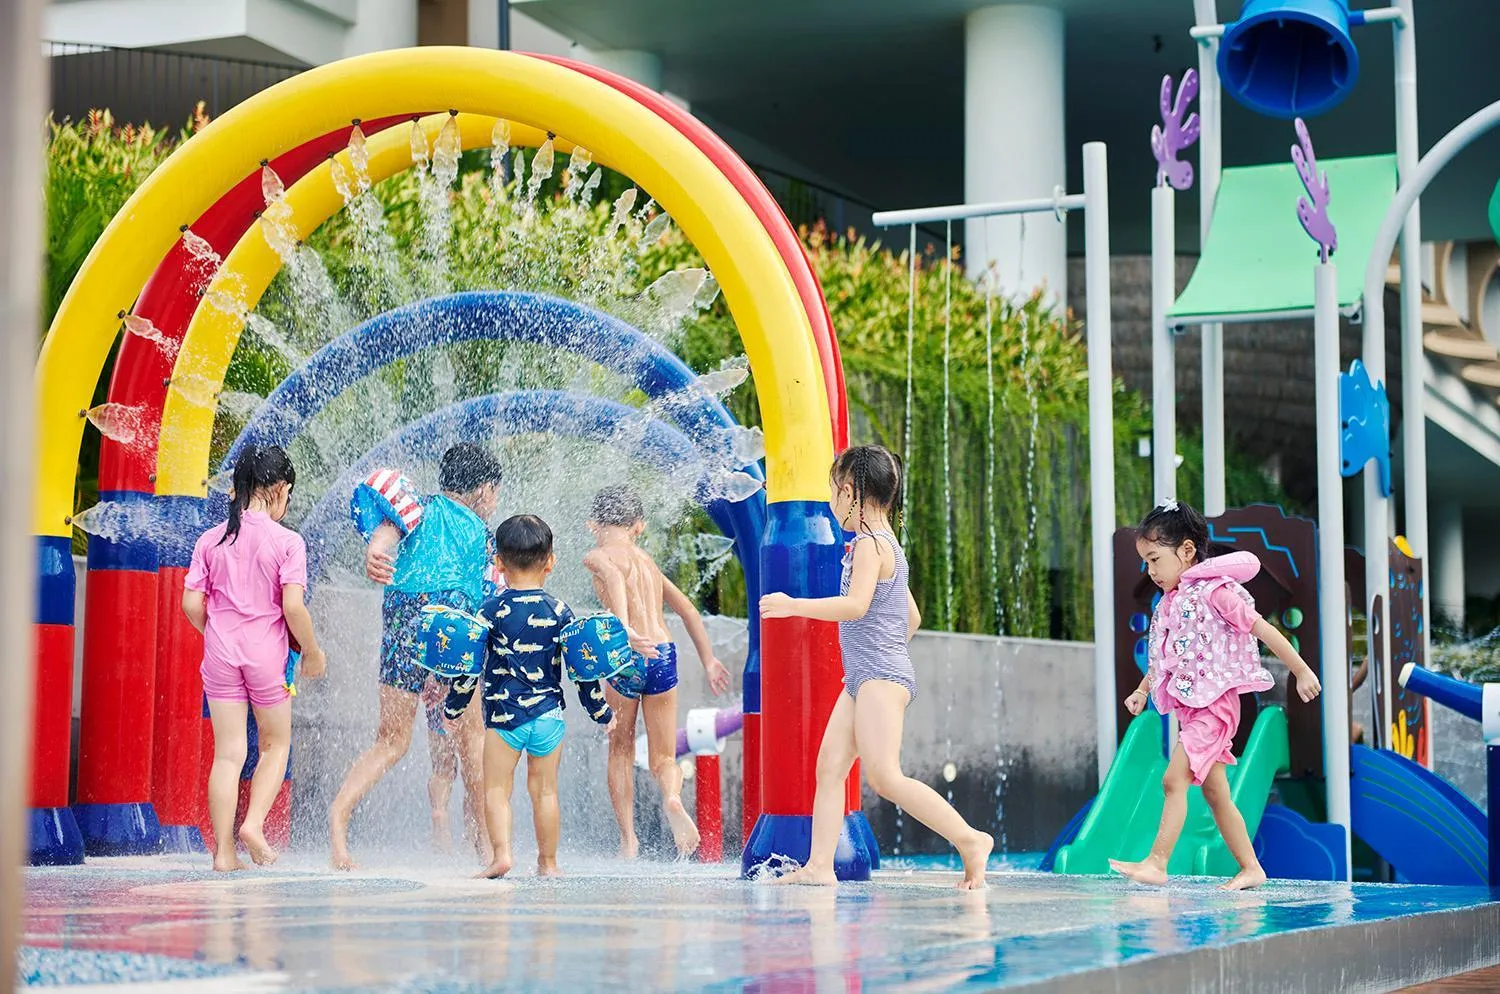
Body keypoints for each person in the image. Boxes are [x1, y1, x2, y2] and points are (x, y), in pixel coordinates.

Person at [759, 444, 993, 889]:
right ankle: (819, 868)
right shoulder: (889, 545)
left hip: (879, 679)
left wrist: (793, 606)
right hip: (868, 677)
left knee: (886, 776)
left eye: (833, 493)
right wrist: (879, 653)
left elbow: (855, 605)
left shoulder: (868, 544)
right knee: (829, 767)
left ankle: (970, 840)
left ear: (850, 491)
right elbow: (912, 617)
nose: (832, 503)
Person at [1110, 499, 1323, 891]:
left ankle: (1158, 863)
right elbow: (1163, 657)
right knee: (1215, 793)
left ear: (1187, 551)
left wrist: (1301, 669)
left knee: (1174, 780)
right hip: (1193, 711)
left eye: (1155, 559)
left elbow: (1263, 629)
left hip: (1215, 707)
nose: (1151, 571)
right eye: (1146, 562)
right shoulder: (1171, 603)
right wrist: (1142, 691)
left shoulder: (1215, 593)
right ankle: (1251, 867)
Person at [328, 442, 503, 871]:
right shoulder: (484, 535)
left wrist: (376, 549)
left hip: (404, 621)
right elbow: (487, 596)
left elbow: (388, 534)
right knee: (472, 739)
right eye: (494, 494)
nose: (494, 502)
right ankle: (485, 847)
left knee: (391, 741)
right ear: (483, 490)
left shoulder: (417, 508)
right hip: (452, 628)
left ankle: (338, 820)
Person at [445, 515, 615, 878]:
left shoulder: (489, 612)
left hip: (505, 719)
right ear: (550, 562)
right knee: (545, 792)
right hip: (548, 717)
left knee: (496, 789)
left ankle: (501, 855)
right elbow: (583, 672)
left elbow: (468, 667)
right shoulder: (559, 612)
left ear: (498, 563)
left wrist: (454, 707)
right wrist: (601, 712)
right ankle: (548, 863)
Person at [182, 445, 326, 872]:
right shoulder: (287, 542)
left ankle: (223, 853)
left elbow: (191, 603)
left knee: (228, 753)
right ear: (281, 489)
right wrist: (313, 653)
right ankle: (254, 826)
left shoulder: (211, 539)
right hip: (266, 655)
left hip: (221, 655)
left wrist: (215, 633)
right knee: (274, 744)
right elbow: (294, 608)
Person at [583, 484, 732, 859]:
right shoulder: (649, 563)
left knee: (620, 748)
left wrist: (623, 627)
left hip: (627, 653)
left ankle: (628, 841)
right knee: (664, 758)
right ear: (639, 526)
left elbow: (615, 579)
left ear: (592, 524)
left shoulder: (598, 555)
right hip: (664, 653)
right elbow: (688, 611)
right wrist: (709, 660)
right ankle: (671, 797)